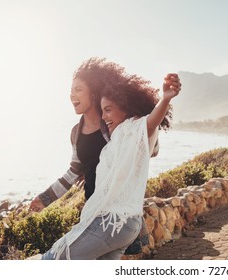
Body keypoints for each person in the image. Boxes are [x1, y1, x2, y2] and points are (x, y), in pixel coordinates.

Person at [41, 71, 181, 260]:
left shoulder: (131, 129)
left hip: (111, 222)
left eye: (108, 110)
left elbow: (150, 124)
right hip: (119, 225)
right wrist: (46, 197)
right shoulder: (112, 138)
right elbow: (80, 169)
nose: (104, 117)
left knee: (52, 260)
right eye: (103, 110)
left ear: (126, 109)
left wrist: (165, 100)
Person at [30, 57, 155, 256]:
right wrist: (44, 198)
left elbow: (146, 146)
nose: (72, 95)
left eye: (78, 89)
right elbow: (73, 172)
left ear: (94, 91)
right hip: (94, 212)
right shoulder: (76, 133)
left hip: (114, 215)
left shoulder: (115, 124)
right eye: (71, 91)